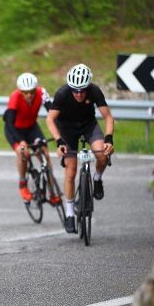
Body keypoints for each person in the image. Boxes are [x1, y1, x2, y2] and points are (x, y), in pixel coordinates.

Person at [46, 63, 114, 233]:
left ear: (88, 87)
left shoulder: (95, 91)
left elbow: (108, 117)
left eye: (82, 90)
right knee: (71, 171)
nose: (79, 94)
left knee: (102, 155)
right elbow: (50, 120)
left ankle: (97, 179)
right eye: (75, 90)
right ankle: (70, 214)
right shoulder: (62, 93)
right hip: (67, 130)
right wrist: (59, 142)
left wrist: (109, 139)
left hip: (88, 125)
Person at [4, 72, 59, 203]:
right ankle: (23, 183)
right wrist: (21, 141)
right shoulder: (15, 97)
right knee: (24, 153)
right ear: (20, 91)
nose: (29, 95)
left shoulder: (42, 93)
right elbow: (9, 124)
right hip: (15, 130)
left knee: (45, 155)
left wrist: (59, 133)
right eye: (25, 92)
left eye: (32, 92)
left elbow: (53, 112)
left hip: (32, 128)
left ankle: (52, 192)